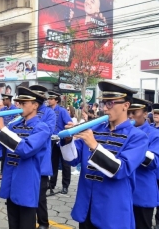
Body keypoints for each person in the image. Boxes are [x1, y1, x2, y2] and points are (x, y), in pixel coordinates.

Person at [59, 81, 148, 228]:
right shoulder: (94, 128)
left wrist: (94, 146)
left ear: (126, 105)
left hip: (112, 211)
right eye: (103, 103)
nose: (105, 108)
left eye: (110, 103)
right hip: (86, 206)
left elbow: (121, 170)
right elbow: (72, 160)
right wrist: (67, 140)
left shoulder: (138, 137)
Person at [0, 86, 51, 229]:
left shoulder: (42, 127)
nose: (19, 106)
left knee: (25, 224)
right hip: (11, 181)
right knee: (13, 224)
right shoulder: (14, 126)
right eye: (19, 102)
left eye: (24, 103)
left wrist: (2, 128)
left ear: (35, 105)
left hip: (26, 184)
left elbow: (25, 149)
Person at [127, 98, 159, 229]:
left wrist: (138, 148)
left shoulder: (156, 134)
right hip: (122, 190)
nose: (130, 116)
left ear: (144, 113)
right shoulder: (122, 131)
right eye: (128, 113)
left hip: (141, 191)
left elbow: (155, 162)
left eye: (134, 112)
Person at [28, 84, 56, 229]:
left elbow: (47, 132)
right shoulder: (24, 113)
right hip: (27, 159)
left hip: (41, 160)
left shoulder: (49, 113)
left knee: (40, 197)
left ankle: (43, 223)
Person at [47, 91, 72, 194]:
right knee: (53, 163)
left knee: (66, 164)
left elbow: (70, 123)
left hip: (62, 140)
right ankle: (52, 184)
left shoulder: (62, 111)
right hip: (52, 140)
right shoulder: (48, 111)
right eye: (49, 98)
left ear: (56, 100)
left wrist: (64, 130)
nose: (49, 100)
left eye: (51, 99)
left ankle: (65, 186)